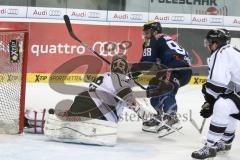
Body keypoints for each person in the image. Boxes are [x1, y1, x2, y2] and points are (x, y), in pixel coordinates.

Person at [44, 56, 157, 146]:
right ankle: (76, 120)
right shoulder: (121, 79)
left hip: (82, 100)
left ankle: (40, 117)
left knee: (69, 115)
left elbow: (125, 98)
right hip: (99, 112)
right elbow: (126, 95)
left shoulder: (104, 76)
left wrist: (138, 108)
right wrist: (142, 111)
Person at [130, 21, 192, 134]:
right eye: (144, 33)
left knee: (165, 88)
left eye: (147, 32)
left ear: (155, 31)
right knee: (153, 88)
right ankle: (158, 118)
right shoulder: (162, 38)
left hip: (175, 70)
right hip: (177, 69)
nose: (145, 35)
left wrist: (131, 73)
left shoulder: (153, 40)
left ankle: (172, 118)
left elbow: (147, 63)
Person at [191, 29, 240, 159]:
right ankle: (225, 142)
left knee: (222, 105)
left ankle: (210, 146)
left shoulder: (221, 53)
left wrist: (210, 102)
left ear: (216, 43)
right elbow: (228, 84)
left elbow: (216, 85)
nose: (208, 45)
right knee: (229, 103)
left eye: (210, 42)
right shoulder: (230, 51)